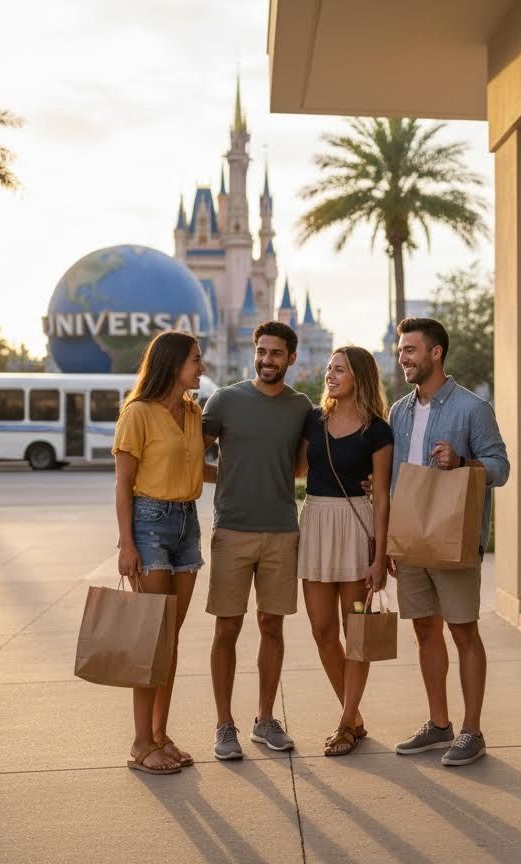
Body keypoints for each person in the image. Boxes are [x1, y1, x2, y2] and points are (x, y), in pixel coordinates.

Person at [388, 317, 509, 766]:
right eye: (401, 350)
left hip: (453, 537)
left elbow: (501, 467)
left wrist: (462, 462)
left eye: (411, 350)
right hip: (412, 540)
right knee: (424, 629)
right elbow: (398, 478)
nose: (403, 357)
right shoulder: (399, 410)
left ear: (435, 353)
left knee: (463, 631)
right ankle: (439, 724)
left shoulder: (473, 408)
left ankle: (471, 730)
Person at [201, 321, 312, 760]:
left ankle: (265, 720)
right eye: (262, 352)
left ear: (291, 358)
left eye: (277, 354)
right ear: (255, 353)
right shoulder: (225, 400)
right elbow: (190, 454)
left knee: (272, 625)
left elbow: (301, 468)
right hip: (232, 530)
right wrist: (225, 476)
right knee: (227, 626)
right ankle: (223, 725)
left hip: (281, 531)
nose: (268, 360)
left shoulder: (301, 407)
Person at [112, 330, 207, 775]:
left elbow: (199, 468)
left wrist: (256, 476)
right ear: (171, 365)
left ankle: (160, 735)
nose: (201, 366)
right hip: (149, 525)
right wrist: (126, 543)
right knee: (151, 639)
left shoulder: (192, 412)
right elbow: (123, 483)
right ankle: (139, 743)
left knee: (168, 641)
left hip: (187, 523)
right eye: (195, 359)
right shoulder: (138, 413)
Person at [295, 346, 393, 756]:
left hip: (356, 530)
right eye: (329, 369)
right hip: (316, 523)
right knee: (322, 630)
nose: (330, 375)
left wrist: (379, 557)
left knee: (357, 634)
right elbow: (299, 469)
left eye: (340, 370)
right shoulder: (313, 421)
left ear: (361, 377)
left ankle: (345, 722)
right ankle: (353, 717)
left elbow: (383, 497)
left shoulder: (378, 430)